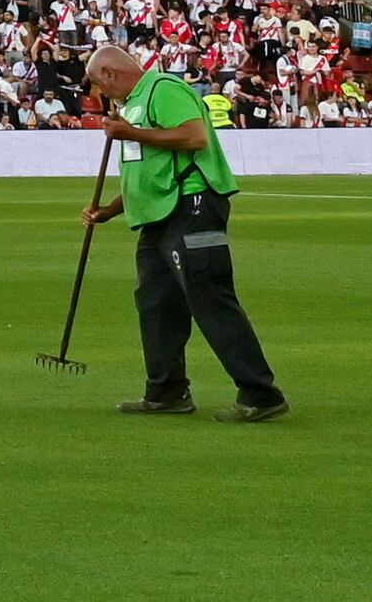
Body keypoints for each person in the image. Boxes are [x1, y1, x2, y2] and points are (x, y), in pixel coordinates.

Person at [82, 40, 287, 420]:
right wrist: (109, 210)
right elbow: (148, 172)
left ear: (109, 73)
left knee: (209, 295)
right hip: (159, 215)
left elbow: (195, 137)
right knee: (156, 303)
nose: (100, 93)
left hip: (193, 205)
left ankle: (261, 394)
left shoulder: (164, 89)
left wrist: (130, 134)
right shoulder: (133, 107)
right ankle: (167, 391)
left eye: (98, 83)